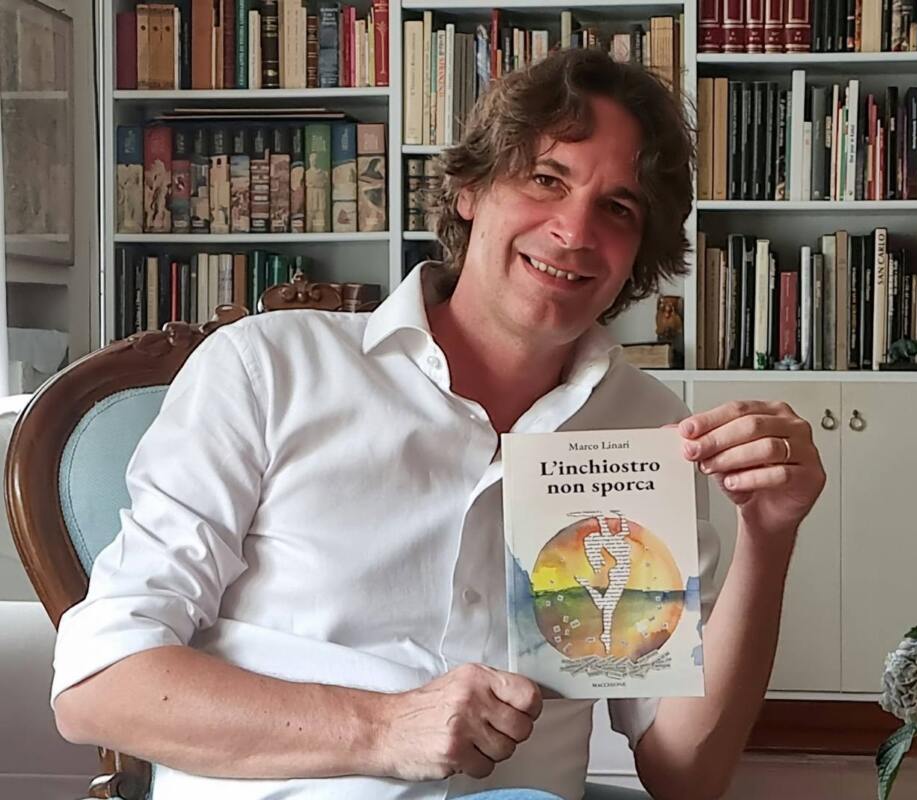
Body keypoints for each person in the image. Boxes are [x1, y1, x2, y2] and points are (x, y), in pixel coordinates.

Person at [51, 48, 826, 800]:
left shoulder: (645, 431)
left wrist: (768, 536)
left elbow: (685, 775)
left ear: (637, 254)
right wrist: (383, 729)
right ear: (468, 190)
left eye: (616, 208)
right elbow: (99, 685)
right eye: (545, 179)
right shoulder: (270, 367)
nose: (573, 231)